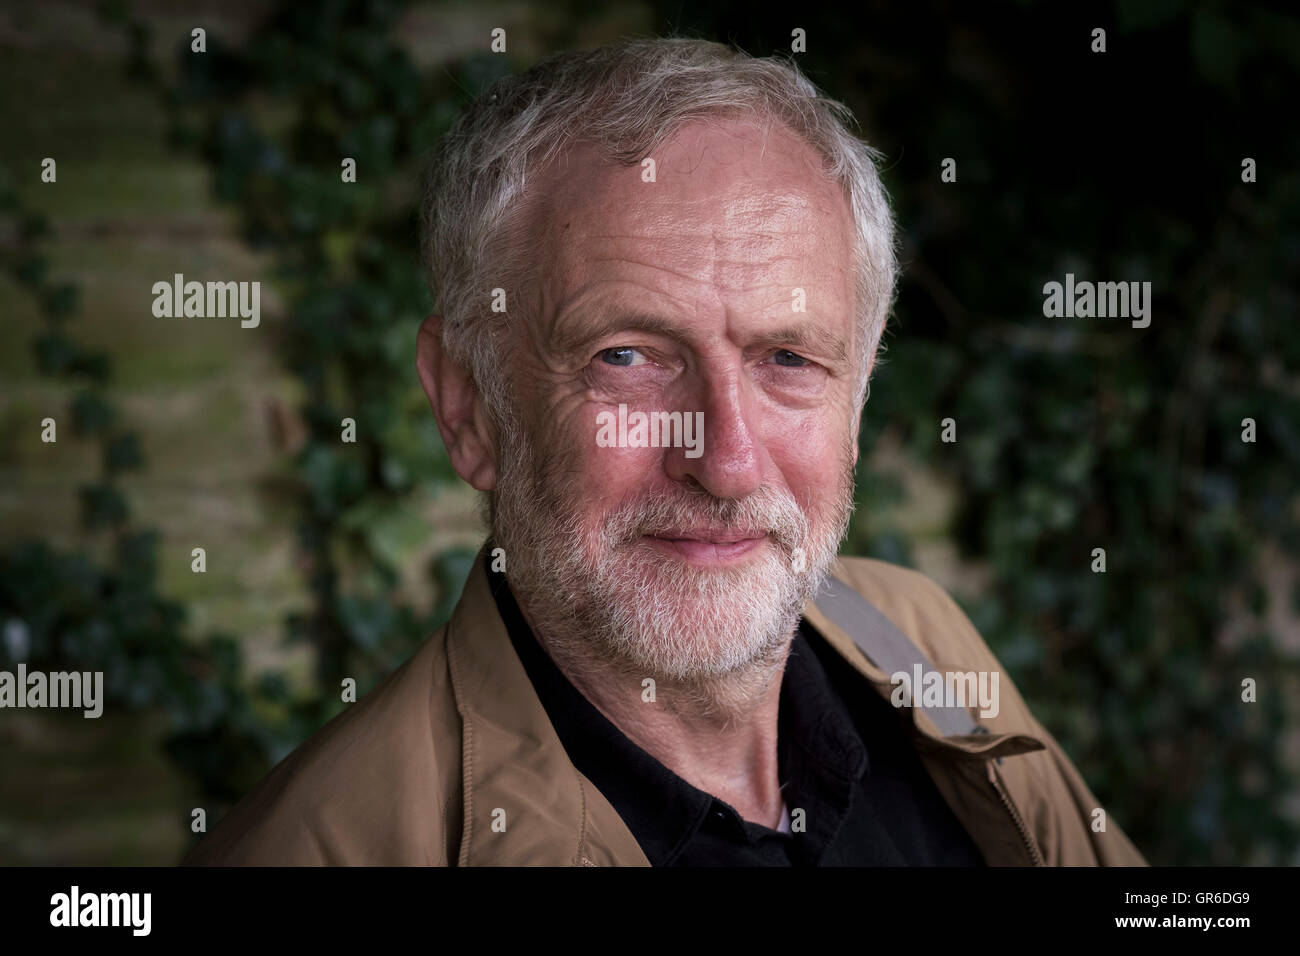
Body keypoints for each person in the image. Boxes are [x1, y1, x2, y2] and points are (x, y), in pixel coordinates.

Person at [184, 37, 1146, 867]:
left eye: (789, 357)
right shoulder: (318, 849)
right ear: (468, 405)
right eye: (628, 357)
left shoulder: (912, 634)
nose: (725, 461)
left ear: (857, 397)